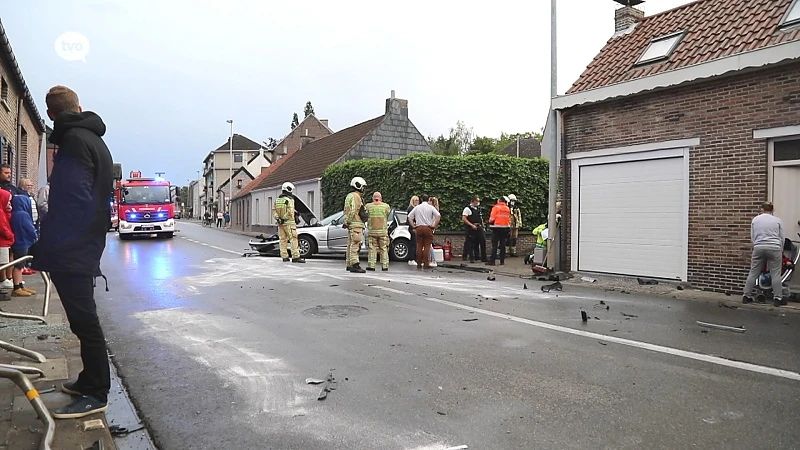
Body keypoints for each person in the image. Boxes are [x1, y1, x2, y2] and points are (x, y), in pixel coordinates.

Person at [31, 85, 114, 419]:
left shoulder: (74, 142)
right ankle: (88, 380)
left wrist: (56, 238)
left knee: (85, 320)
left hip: (74, 249)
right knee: (82, 321)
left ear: (51, 115)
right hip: (82, 244)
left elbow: (74, 199)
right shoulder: (92, 138)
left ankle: (97, 392)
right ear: (79, 107)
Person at [742, 202, 787, 307]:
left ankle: (746, 296)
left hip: (759, 247)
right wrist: (780, 249)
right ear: (772, 210)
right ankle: (777, 298)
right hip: (774, 247)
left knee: (753, 272)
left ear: (762, 209)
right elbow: (782, 237)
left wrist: (757, 244)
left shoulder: (755, 220)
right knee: (775, 274)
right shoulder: (777, 220)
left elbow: (752, 236)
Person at [9, 195, 37, 297]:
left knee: (20, 266)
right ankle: (17, 287)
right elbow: (29, 228)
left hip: (17, 242)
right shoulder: (23, 215)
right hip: (22, 242)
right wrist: (35, 235)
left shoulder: (14, 214)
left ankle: (20, 285)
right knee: (19, 266)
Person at [273, 182, 305, 263]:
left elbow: (274, 211)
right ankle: (295, 257)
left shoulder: (277, 199)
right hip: (289, 223)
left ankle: (284, 256)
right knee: (293, 239)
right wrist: (284, 218)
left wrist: (279, 219)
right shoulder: (289, 199)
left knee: (282, 240)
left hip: (280, 224)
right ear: (288, 189)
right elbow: (290, 211)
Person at [407, 194, 441, 270]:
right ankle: (426, 263)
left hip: (419, 228)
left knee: (419, 245)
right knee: (427, 246)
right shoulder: (431, 207)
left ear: (421, 199)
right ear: (428, 199)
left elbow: (409, 217)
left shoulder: (417, 208)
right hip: (428, 228)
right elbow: (438, 216)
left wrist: (413, 226)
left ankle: (419, 262)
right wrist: (434, 225)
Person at [344, 177, 368, 273]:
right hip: (356, 224)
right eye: (363, 187)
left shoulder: (349, 196)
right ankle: (355, 264)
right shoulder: (356, 196)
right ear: (358, 185)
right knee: (355, 245)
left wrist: (346, 222)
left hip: (351, 225)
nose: (363, 189)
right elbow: (353, 210)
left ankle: (349, 264)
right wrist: (349, 221)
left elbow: (346, 210)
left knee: (350, 244)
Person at [364, 191, 391, 271]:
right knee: (384, 248)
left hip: (372, 231)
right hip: (383, 232)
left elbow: (365, 214)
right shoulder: (386, 206)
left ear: (373, 198)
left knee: (372, 248)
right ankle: (385, 266)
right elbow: (387, 214)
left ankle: (371, 265)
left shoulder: (368, 206)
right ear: (381, 198)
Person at [487, 196, 511, 266]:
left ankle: (492, 261)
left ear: (499, 201)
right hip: (505, 228)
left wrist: (489, 222)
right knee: (502, 245)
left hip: (497, 228)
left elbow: (492, 219)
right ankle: (502, 261)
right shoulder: (507, 208)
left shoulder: (496, 207)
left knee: (495, 245)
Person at [461, 196, 486, 263]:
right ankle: (470, 257)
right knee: (470, 243)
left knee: (481, 240)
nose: (478, 203)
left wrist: (483, 226)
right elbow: (464, 218)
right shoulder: (467, 209)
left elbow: (481, 218)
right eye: (477, 201)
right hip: (470, 227)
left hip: (478, 226)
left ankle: (481, 257)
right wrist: (471, 225)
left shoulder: (478, 209)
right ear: (473, 201)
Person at [0, 189, 13, 295]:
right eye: (8, 201)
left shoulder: (3, 211)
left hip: (5, 241)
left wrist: (8, 211)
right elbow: (3, 227)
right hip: (3, 241)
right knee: (3, 261)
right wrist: (10, 236)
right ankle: (2, 280)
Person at [406, 195, 419, 265]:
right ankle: (412, 258)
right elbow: (410, 218)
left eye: (418, 200)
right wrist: (413, 227)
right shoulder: (412, 208)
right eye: (415, 200)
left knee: (413, 243)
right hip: (413, 228)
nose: (417, 202)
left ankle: (411, 258)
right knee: (413, 243)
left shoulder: (413, 208)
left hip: (412, 228)